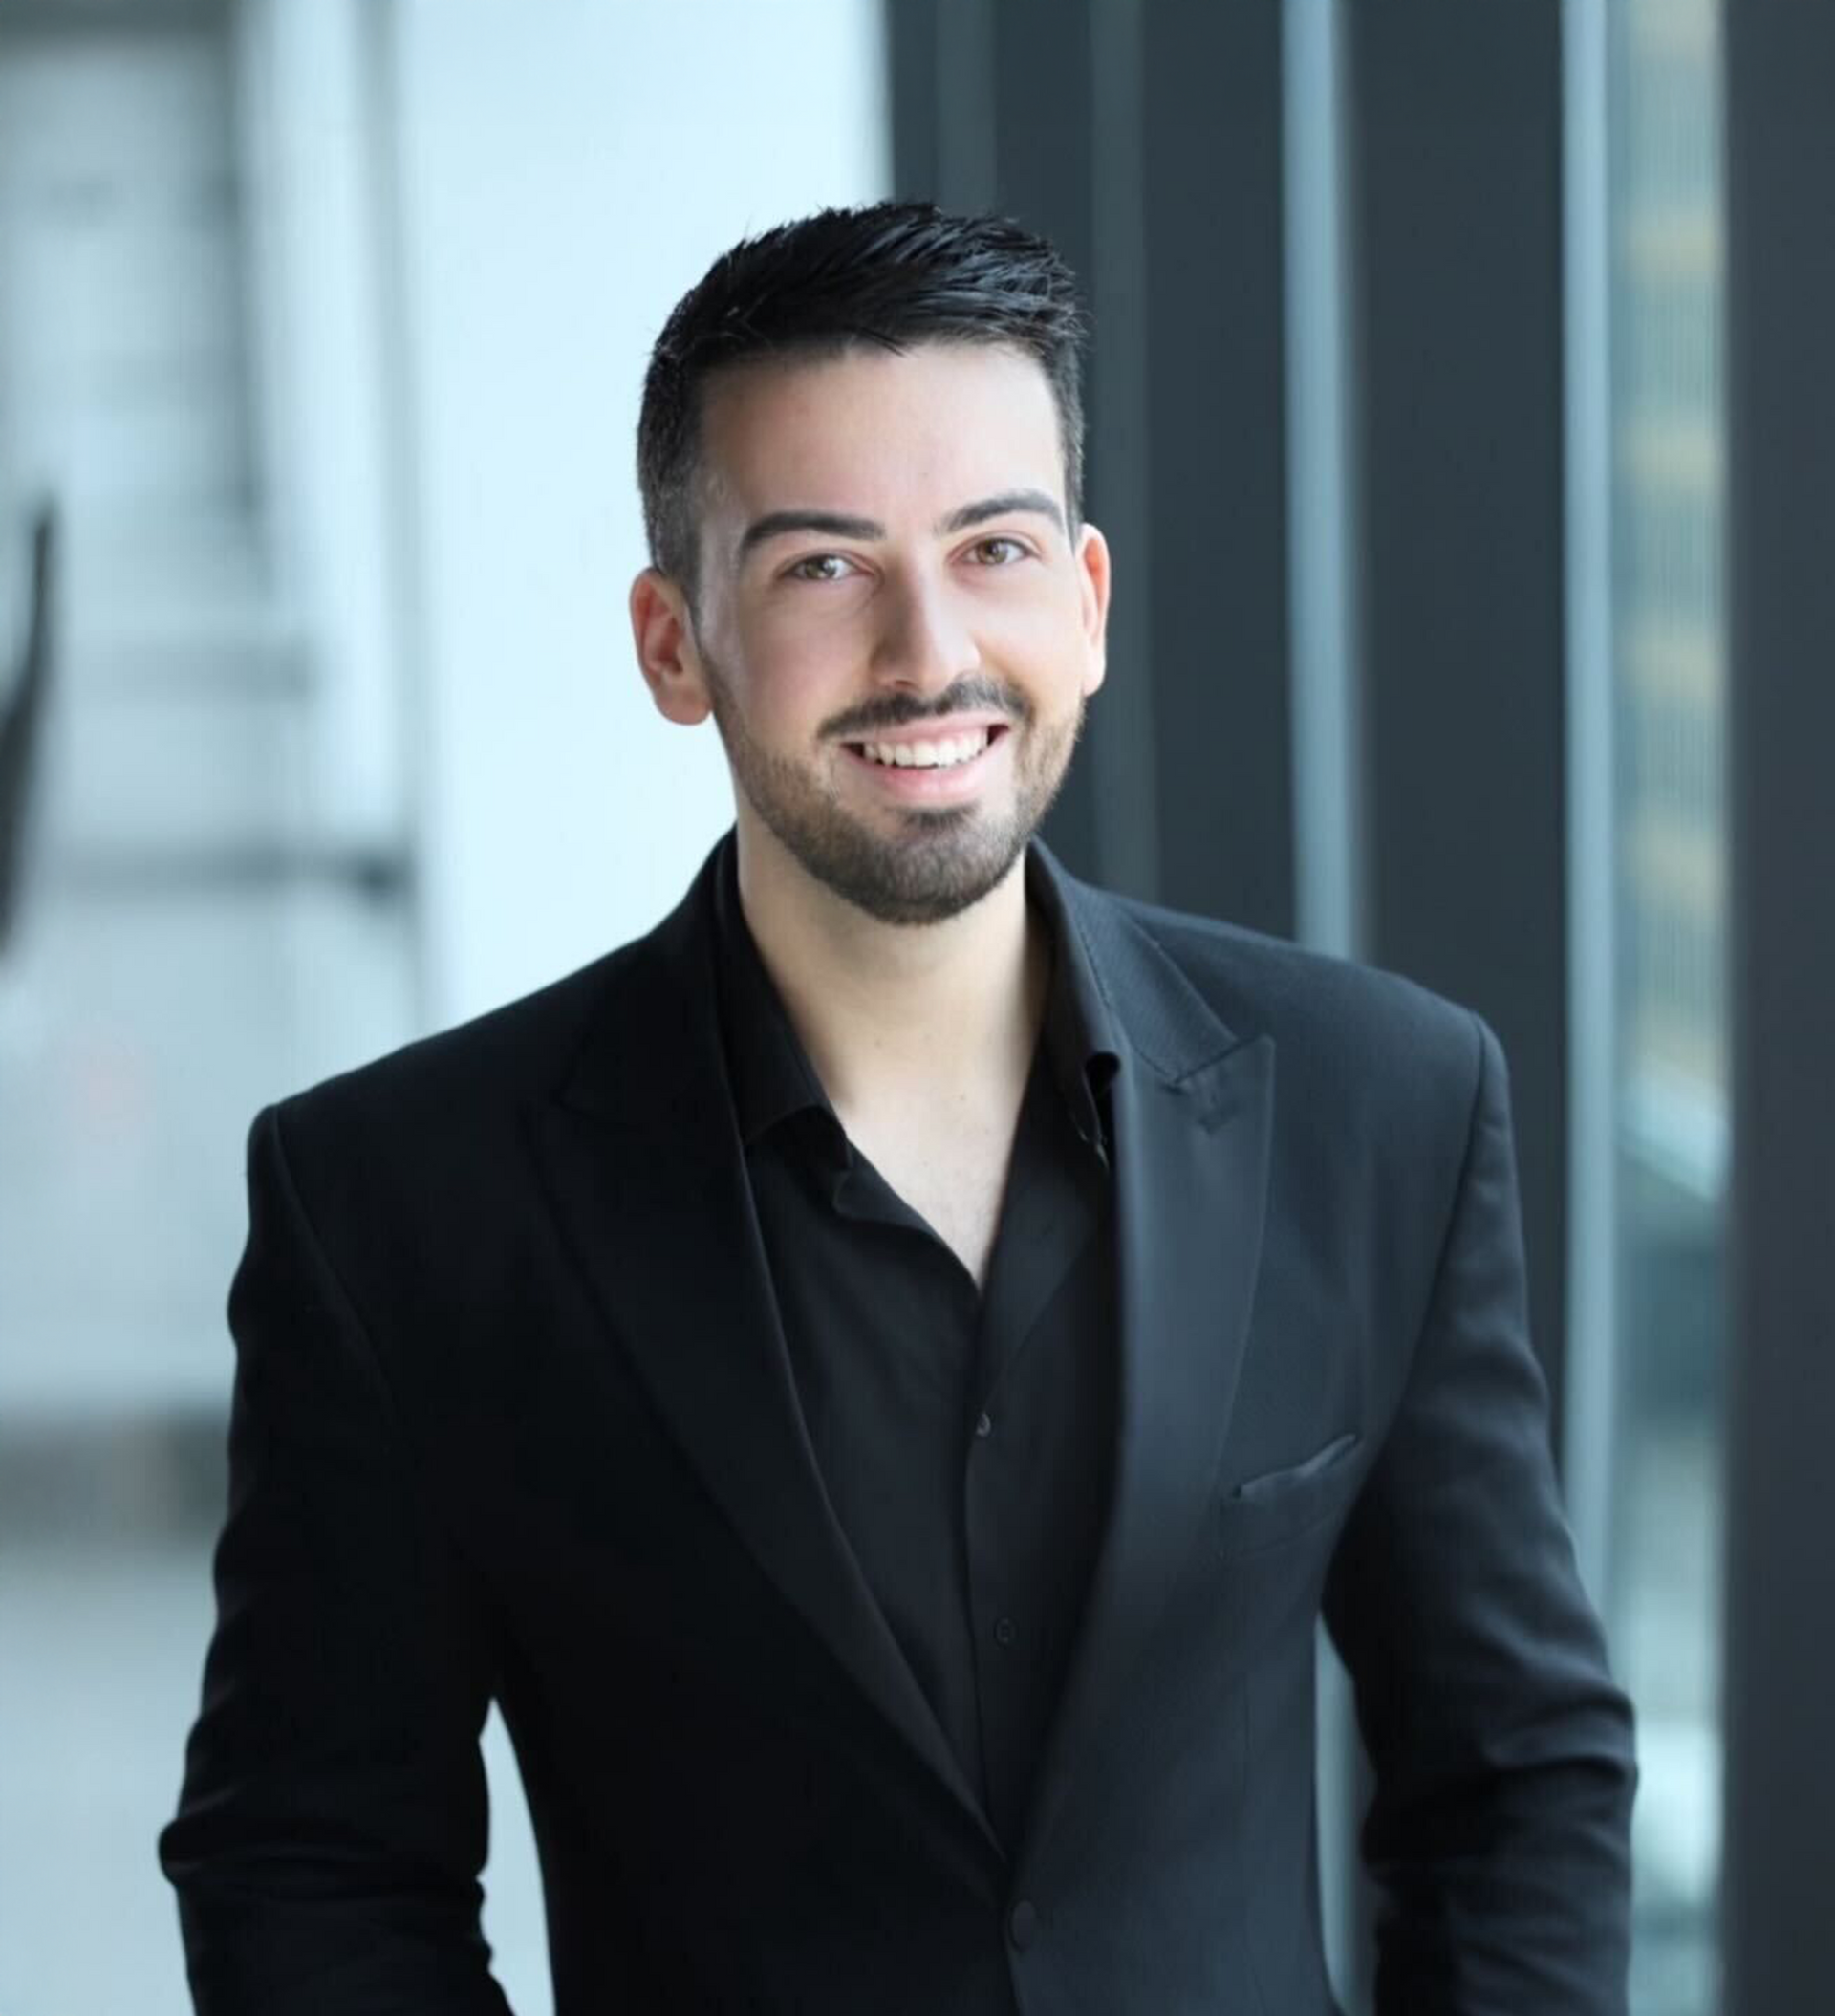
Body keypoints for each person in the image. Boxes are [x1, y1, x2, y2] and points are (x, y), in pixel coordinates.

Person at [161, 201, 1635, 2014]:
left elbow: (1515, 1775)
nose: (928, 651)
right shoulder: (399, 1205)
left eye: (993, 548)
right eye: (822, 569)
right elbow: (311, 1869)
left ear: (1085, 604)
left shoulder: (1380, 1103)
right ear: (671, 642)